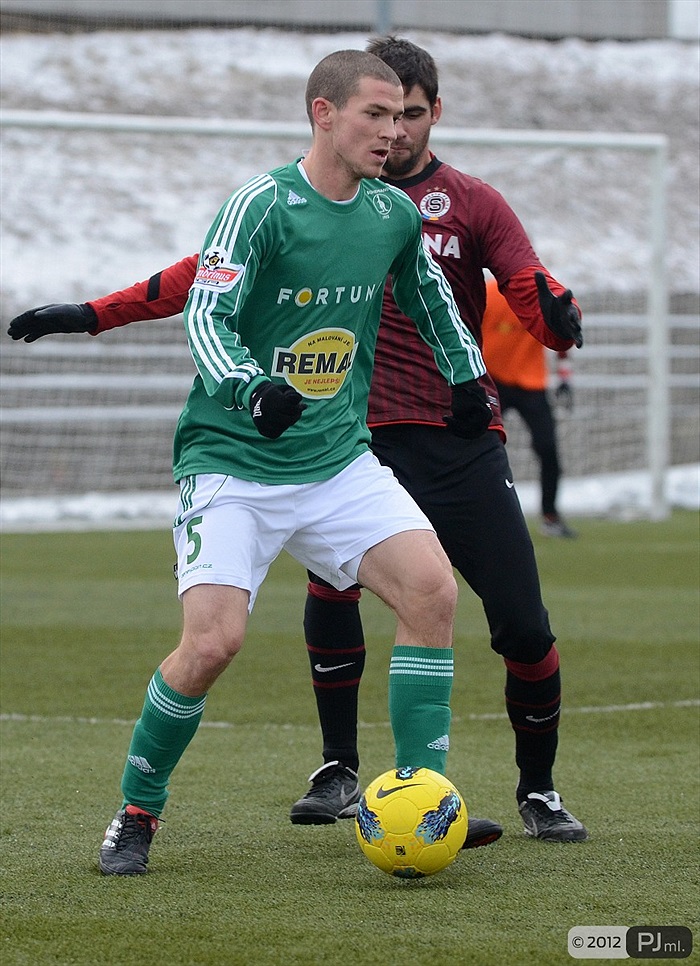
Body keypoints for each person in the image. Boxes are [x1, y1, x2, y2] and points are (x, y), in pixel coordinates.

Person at [8, 38, 588, 848]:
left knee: (432, 594)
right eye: (375, 114)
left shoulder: (393, 213)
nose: (392, 132)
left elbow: (431, 305)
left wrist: (465, 379)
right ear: (324, 114)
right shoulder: (260, 205)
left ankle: (424, 799)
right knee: (213, 644)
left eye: (401, 116)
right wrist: (250, 387)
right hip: (234, 461)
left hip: (337, 460)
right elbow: (205, 311)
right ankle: (136, 812)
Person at [481, 276, 577, 538]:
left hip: (532, 384)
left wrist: (565, 378)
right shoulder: (486, 293)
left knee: (548, 448)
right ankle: (476, 515)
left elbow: (564, 334)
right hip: (492, 381)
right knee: (477, 449)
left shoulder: (540, 296)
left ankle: (550, 516)